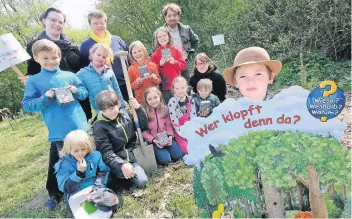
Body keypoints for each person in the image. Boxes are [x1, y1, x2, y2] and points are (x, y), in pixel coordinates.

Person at [22, 39, 89, 210]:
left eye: (54, 57)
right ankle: (70, 193)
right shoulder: (34, 81)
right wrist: (45, 98)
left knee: (89, 157)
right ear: (36, 58)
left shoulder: (70, 76)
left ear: (59, 56)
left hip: (80, 126)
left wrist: (76, 90)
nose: (51, 61)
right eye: (45, 58)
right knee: (66, 164)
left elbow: (84, 93)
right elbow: (28, 104)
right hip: (60, 133)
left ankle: (93, 187)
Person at [54, 130, 123, 213]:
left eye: (83, 149)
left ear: (88, 146)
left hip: (95, 189)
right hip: (76, 195)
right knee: (86, 213)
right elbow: (66, 188)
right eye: (76, 151)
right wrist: (78, 173)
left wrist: (97, 187)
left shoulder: (95, 156)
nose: (80, 153)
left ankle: (109, 201)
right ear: (69, 150)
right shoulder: (64, 164)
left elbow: (104, 171)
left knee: (113, 204)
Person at [92, 90, 148, 189]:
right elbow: (106, 153)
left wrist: (138, 108)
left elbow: (143, 126)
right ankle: (117, 177)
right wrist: (122, 165)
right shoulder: (99, 126)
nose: (110, 112)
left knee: (143, 176)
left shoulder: (125, 114)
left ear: (118, 103)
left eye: (112, 108)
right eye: (105, 110)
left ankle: (126, 175)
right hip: (116, 160)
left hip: (133, 154)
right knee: (142, 181)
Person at [80, 10, 130, 103]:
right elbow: (84, 67)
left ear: (106, 23)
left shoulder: (116, 39)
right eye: (95, 23)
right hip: (103, 89)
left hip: (125, 85)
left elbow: (129, 59)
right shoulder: (86, 45)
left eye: (102, 22)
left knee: (129, 113)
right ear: (90, 25)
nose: (99, 25)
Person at [22, 8, 81, 83]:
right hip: (49, 91)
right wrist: (29, 78)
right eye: (53, 20)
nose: (57, 24)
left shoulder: (73, 47)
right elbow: (33, 71)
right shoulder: (34, 46)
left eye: (60, 22)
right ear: (44, 21)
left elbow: (81, 71)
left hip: (75, 90)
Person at [152, 3, 199, 83]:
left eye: (175, 15)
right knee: (169, 89)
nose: (172, 18)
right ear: (165, 18)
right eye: (169, 16)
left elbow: (195, 41)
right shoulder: (159, 33)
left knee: (185, 87)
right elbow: (154, 50)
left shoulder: (186, 29)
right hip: (167, 67)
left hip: (183, 63)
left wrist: (190, 54)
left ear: (178, 16)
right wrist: (161, 63)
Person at [77, 43, 126, 114]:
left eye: (104, 57)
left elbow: (116, 88)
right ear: (92, 54)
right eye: (98, 55)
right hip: (99, 109)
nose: (100, 58)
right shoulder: (83, 73)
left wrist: (122, 105)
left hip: (113, 105)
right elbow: (73, 80)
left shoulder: (109, 71)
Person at [142, 87, 184, 165]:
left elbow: (168, 125)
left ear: (160, 97)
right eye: (150, 99)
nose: (153, 101)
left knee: (179, 156)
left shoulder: (165, 109)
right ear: (146, 100)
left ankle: (169, 149)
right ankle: (159, 153)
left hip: (166, 138)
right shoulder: (144, 113)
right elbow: (143, 131)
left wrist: (170, 136)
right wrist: (153, 140)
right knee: (166, 160)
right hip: (154, 141)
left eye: (155, 97)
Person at [152, 27, 186, 104]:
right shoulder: (155, 54)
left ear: (169, 36)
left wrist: (174, 62)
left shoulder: (176, 50)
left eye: (164, 35)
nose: (162, 38)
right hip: (165, 86)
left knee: (182, 104)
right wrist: (160, 65)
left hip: (178, 85)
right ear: (157, 39)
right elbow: (153, 71)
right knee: (170, 105)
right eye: (159, 37)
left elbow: (183, 65)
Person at [167, 76, 196, 154]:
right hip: (179, 131)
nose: (180, 90)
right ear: (173, 89)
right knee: (187, 149)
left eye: (183, 88)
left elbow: (193, 117)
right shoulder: (172, 102)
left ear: (186, 87)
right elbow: (174, 120)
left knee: (198, 144)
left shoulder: (191, 99)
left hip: (190, 129)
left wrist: (191, 131)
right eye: (177, 88)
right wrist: (183, 134)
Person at [128, 41, 161, 106]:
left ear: (144, 51)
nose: (138, 54)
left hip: (154, 99)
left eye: (139, 51)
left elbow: (158, 81)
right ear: (131, 55)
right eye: (134, 52)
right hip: (141, 100)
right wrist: (137, 82)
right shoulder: (131, 69)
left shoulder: (152, 65)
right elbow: (131, 86)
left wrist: (154, 78)